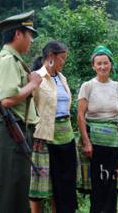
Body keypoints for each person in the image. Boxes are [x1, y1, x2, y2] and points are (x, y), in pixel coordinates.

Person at [0, 10, 42, 213]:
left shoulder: (14, 60)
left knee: (18, 191)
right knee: (10, 195)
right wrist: (33, 84)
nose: (31, 40)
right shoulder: (8, 61)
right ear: (18, 34)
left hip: (15, 133)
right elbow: (7, 100)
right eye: (30, 34)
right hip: (9, 133)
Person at [77, 45, 118, 213]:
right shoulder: (88, 86)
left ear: (111, 65)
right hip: (94, 142)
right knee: (97, 182)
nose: (102, 67)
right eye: (98, 63)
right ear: (93, 66)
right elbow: (80, 115)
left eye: (105, 63)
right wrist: (86, 142)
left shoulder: (117, 86)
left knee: (111, 181)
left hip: (114, 142)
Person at [29, 41, 78, 213]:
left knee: (64, 182)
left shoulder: (62, 78)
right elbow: (30, 107)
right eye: (62, 58)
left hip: (66, 135)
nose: (64, 62)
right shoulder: (36, 77)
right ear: (51, 57)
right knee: (40, 184)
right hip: (44, 135)